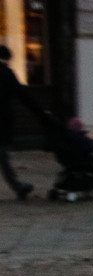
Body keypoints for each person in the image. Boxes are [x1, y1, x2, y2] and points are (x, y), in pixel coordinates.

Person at [0, 45, 47, 200]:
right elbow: (24, 96)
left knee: (3, 158)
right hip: (2, 122)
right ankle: (17, 187)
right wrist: (41, 112)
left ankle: (18, 186)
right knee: (3, 157)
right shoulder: (7, 74)